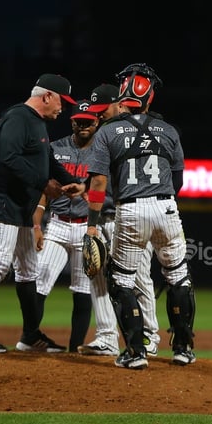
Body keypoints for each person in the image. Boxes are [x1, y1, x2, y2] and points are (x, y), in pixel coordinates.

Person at [0, 74, 85, 354]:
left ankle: (30, 335)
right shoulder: (19, 116)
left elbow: (46, 160)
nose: (64, 108)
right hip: (4, 202)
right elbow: (8, 157)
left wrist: (68, 181)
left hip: (21, 207)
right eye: (62, 101)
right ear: (48, 96)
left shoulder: (37, 122)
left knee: (29, 271)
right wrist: (43, 184)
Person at [84, 64, 194, 369]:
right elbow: (178, 180)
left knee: (122, 282)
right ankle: (183, 349)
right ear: (150, 98)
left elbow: (98, 184)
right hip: (167, 206)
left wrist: (92, 226)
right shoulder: (169, 131)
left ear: (122, 95)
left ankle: (135, 352)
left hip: (130, 210)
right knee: (179, 278)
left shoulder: (107, 131)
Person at [77, 83, 160, 357]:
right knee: (97, 274)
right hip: (104, 216)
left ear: (121, 103)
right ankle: (107, 337)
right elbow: (99, 179)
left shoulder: (142, 131)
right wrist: (84, 190)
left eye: (103, 109)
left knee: (139, 279)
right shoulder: (105, 134)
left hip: (131, 215)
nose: (98, 116)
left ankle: (149, 337)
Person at [29, 100, 102, 353]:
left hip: (87, 227)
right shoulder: (54, 148)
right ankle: (29, 338)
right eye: (79, 121)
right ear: (72, 122)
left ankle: (75, 349)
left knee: (83, 290)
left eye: (88, 121)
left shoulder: (103, 152)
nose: (83, 125)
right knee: (39, 282)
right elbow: (42, 190)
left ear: (97, 122)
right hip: (58, 225)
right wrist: (37, 226)